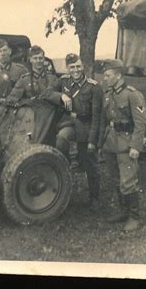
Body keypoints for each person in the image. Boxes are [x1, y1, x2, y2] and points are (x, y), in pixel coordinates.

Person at [43, 53, 103, 211]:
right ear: (67, 68)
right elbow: (46, 93)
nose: (75, 70)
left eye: (77, 66)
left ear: (82, 66)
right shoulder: (63, 81)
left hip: (86, 125)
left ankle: (94, 197)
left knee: (90, 160)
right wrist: (61, 95)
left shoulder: (94, 86)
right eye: (72, 67)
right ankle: (65, 167)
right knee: (61, 139)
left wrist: (92, 140)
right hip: (69, 122)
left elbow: (97, 116)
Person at [98, 59, 146, 232]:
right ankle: (123, 211)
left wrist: (136, 146)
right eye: (104, 75)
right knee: (115, 179)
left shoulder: (133, 95)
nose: (105, 78)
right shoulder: (108, 93)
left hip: (127, 143)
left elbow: (141, 123)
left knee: (128, 180)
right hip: (111, 142)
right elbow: (105, 120)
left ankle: (134, 217)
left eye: (108, 75)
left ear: (118, 75)